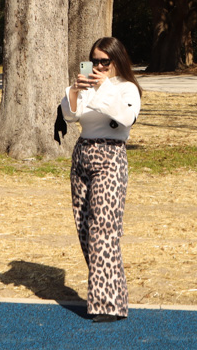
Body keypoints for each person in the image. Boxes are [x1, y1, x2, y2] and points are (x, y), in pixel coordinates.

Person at [61, 36, 143, 322]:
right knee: (84, 229)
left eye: (104, 62)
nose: (98, 66)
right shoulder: (87, 85)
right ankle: (112, 295)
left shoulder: (126, 88)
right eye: (94, 61)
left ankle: (107, 305)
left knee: (104, 229)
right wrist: (74, 89)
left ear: (117, 60)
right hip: (82, 154)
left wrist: (103, 86)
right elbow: (71, 116)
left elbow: (126, 118)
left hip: (110, 156)